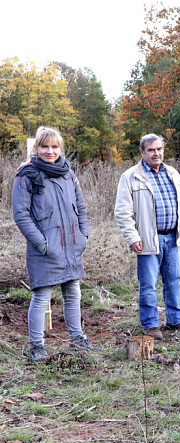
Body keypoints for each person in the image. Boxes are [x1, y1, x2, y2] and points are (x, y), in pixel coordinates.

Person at [12, 126, 101, 362]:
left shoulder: (68, 173)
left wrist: (84, 237)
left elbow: (80, 208)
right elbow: (21, 215)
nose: (49, 151)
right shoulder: (26, 175)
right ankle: (37, 347)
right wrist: (42, 244)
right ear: (36, 148)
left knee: (73, 294)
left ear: (60, 148)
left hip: (72, 246)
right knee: (41, 297)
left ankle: (77, 339)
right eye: (44, 146)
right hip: (45, 250)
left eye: (54, 146)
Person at [114, 134, 180, 341]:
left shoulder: (172, 173)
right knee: (148, 284)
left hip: (172, 238)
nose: (156, 153)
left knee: (174, 280)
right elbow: (122, 212)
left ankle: (175, 320)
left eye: (159, 149)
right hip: (149, 240)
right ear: (142, 152)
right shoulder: (130, 177)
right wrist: (132, 237)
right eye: (151, 150)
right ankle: (150, 325)